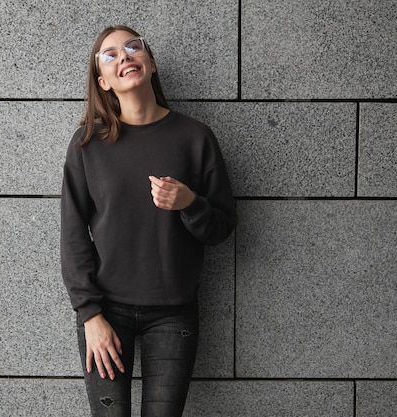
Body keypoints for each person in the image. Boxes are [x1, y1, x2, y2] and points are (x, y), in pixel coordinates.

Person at [60, 25, 236, 417]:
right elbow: (73, 235)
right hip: (106, 311)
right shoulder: (88, 143)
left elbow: (222, 227)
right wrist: (89, 314)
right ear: (102, 81)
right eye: (110, 54)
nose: (124, 56)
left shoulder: (195, 138)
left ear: (150, 64)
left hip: (174, 312)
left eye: (132, 47)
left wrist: (189, 202)